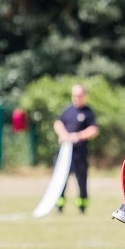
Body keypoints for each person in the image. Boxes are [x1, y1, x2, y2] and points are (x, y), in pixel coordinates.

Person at [53, 84, 99, 214]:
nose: (76, 98)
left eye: (79, 95)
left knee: (81, 180)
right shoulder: (67, 110)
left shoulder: (88, 112)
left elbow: (93, 129)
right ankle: (59, 206)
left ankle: (82, 207)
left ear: (84, 96)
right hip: (64, 154)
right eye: (74, 95)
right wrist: (63, 134)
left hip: (80, 153)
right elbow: (58, 123)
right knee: (61, 180)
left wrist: (77, 136)